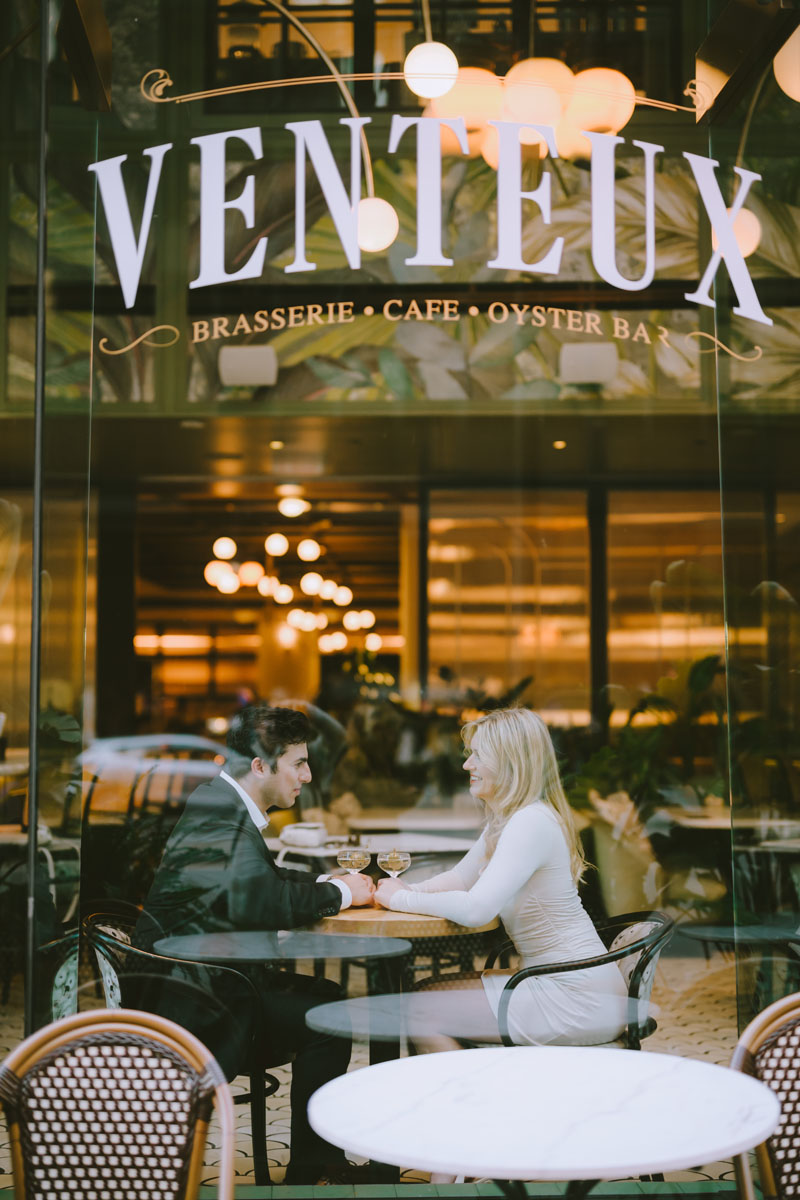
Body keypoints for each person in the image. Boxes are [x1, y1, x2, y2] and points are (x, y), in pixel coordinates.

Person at [135, 704, 375, 1185]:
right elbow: (259, 898)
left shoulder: (217, 803)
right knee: (329, 1016)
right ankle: (312, 1168)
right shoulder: (220, 815)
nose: (307, 776)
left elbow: (259, 878)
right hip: (201, 1004)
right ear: (261, 766)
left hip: (198, 983)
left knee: (325, 1001)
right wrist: (344, 892)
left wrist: (326, 879)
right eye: (298, 764)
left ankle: (316, 1161)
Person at [375, 706, 629, 1049]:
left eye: (478, 755)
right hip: (556, 981)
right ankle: (476, 1093)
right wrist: (402, 889)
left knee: (420, 1009)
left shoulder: (530, 822)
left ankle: (471, 1100)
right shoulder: (511, 819)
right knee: (421, 996)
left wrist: (399, 899)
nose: (467, 765)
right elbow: (459, 879)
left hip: (574, 997)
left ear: (510, 762)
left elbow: (477, 909)